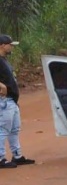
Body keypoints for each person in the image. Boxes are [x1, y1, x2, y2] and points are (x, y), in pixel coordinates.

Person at [0, 34, 35, 168]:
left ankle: (17, 155)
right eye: (10, 45)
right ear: (2, 45)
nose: (12, 47)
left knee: (14, 129)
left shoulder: (4, 60)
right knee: (3, 129)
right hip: (4, 100)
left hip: (12, 100)